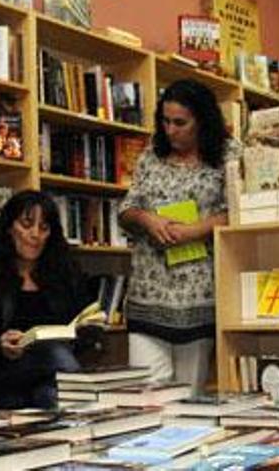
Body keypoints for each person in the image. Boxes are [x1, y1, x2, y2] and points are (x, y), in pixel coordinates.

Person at [119, 79, 240, 392]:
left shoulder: (229, 155)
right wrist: (147, 220)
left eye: (180, 123)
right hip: (148, 291)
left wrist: (193, 231)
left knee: (189, 396)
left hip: (199, 294)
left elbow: (241, 212)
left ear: (202, 121)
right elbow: (127, 210)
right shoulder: (151, 154)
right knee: (148, 394)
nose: (170, 130)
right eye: (165, 121)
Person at [0, 190, 94, 409]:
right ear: (10, 228)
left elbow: (85, 330)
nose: (35, 234)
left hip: (52, 376)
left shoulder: (65, 272)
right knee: (56, 357)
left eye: (44, 228)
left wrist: (83, 331)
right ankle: (86, 407)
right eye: (26, 224)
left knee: (50, 393)